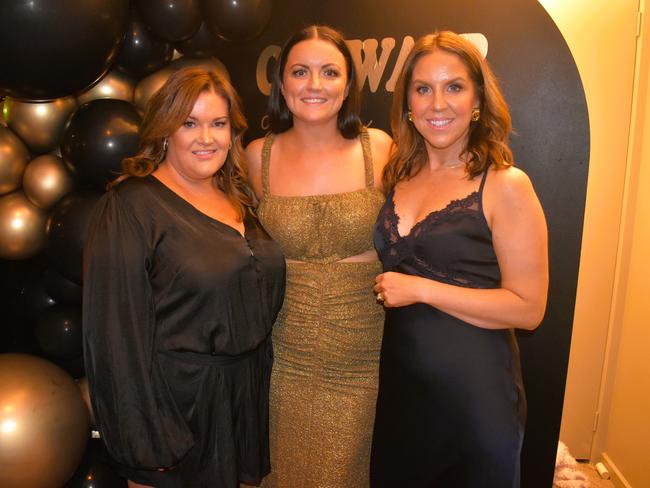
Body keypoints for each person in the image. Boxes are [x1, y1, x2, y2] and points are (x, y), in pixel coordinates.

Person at [82, 68, 286, 488]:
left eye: (218, 123)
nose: (206, 138)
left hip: (241, 403)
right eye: (189, 123)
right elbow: (114, 338)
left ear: (233, 132)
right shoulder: (131, 207)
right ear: (164, 131)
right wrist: (145, 449)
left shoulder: (239, 198)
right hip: (175, 413)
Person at [370, 31, 548, 487]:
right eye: (423, 88)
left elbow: (528, 309)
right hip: (403, 391)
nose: (437, 103)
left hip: (475, 397)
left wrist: (420, 289)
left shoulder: (505, 185)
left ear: (477, 99)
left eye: (454, 87)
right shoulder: (398, 174)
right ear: (408, 102)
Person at [245, 25, 393, 487]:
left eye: (330, 72)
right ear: (282, 84)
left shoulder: (380, 148)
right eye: (300, 72)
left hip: (365, 355)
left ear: (348, 85)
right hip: (286, 355)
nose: (314, 85)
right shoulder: (256, 157)